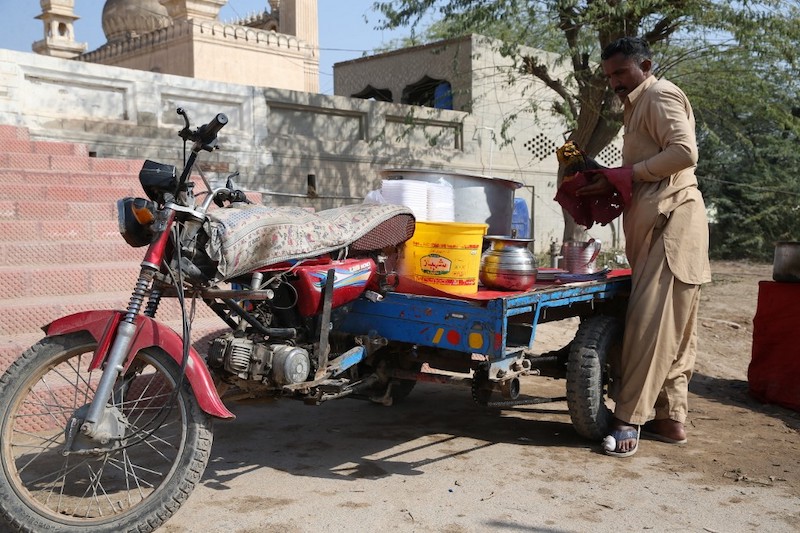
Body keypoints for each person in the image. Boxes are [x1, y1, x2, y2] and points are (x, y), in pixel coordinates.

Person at [574, 36, 712, 457]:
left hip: (673, 223)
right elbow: (646, 167)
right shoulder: (636, 105)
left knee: (652, 323)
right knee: (672, 325)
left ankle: (629, 419)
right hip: (658, 226)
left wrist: (629, 174)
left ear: (645, 65)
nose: (614, 82)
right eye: (609, 75)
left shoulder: (660, 94)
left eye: (620, 72)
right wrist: (608, 176)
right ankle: (670, 419)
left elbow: (685, 152)